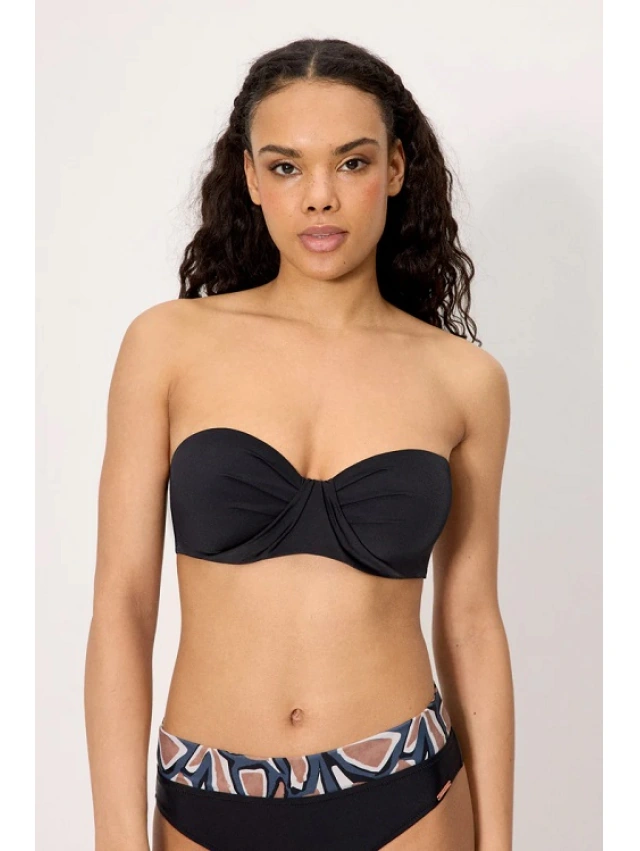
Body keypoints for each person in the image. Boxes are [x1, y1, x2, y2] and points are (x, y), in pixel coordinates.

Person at [84, 37, 514, 851]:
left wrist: (499, 841)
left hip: (407, 794)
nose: (320, 197)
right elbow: (122, 605)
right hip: (207, 795)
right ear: (250, 177)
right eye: (286, 167)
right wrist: (116, 836)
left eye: (352, 163)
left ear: (395, 168)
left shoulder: (465, 380)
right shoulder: (167, 347)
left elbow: (470, 622)